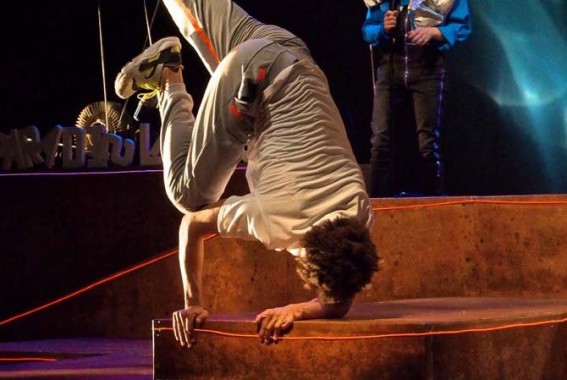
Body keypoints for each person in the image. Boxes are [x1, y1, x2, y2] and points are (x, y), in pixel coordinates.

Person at [114, 0, 378, 347]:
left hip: (288, 49)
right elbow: (192, 226)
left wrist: (300, 309)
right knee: (188, 196)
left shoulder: (358, 214)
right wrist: (192, 303)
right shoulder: (277, 219)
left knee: (195, 17)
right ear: (312, 255)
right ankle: (169, 77)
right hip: (251, 82)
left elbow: (339, 299)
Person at [362, 0, 471, 197]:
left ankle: (434, 206)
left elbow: (462, 26)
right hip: (389, 68)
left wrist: (433, 33)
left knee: (427, 144)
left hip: (427, 68)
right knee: (380, 141)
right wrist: (383, 30)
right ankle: (378, 206)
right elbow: (367, 30)